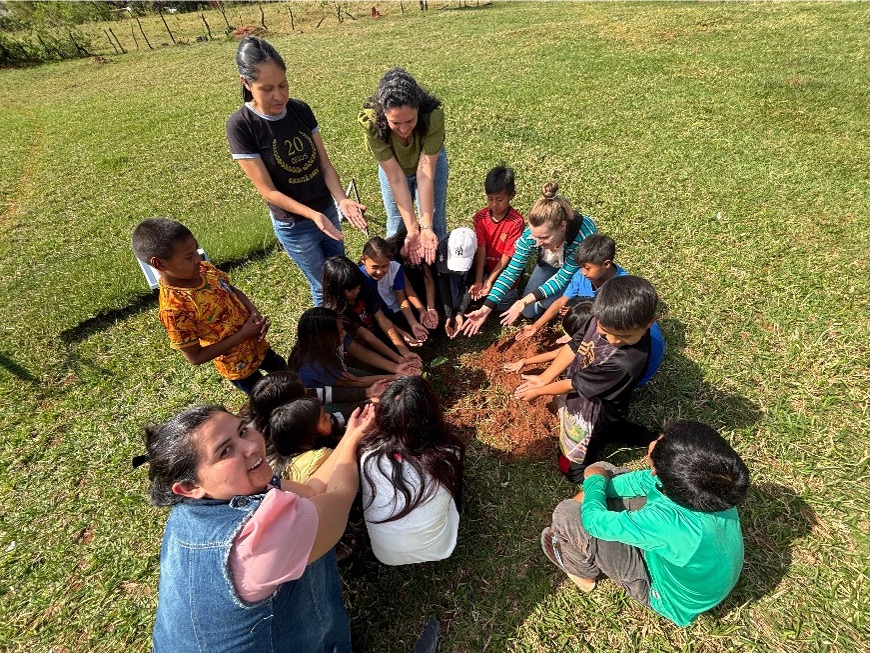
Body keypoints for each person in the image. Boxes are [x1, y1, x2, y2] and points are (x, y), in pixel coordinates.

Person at [141, 401, 375, 652]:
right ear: (189, 487)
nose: (251, 446)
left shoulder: (192, 507)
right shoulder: (258, 536)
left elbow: (312, 490)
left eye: (242, 431)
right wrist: (352, 442)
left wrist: (351, 434)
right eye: (225, 451)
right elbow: (339, 498)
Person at [541, 420, 750, 628]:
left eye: (660, 440)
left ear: (659, 471)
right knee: (606, 471)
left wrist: (594, 484)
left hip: (665, 596)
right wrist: (594, 488)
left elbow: (594, 523)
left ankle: (583, 572)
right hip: (695, 571)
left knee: (566, 513)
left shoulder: (668, 523)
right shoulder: (713, 488)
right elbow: (642, 481)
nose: (656, 439)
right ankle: (592, 503)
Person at [226, 36, 367, 306]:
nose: (278, 95)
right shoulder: (241, 126)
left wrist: (342, 199)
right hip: (296, 226)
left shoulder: (300, 110)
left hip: (326, 211)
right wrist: (312, 215)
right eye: (267, 88)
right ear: (246, 83)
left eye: (283, 85)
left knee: (342, 279)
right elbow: (268, 191)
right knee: (323, 287)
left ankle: (355, 330)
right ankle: (333, 343)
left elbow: (324, 164)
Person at [514, 276, 661, 481]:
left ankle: (617, 474)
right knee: (611, 430)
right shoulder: (601, 317)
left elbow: (574, 385)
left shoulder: (625, 363)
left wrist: (538, 390)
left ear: (650, 323)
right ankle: (652, 437)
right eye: (604, 333)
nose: (614, 341)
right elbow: (574, 346)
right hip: (586, 392)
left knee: (572, 470)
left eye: (626, 337)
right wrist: (545, 377)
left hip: (599, 411)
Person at [131, 217, 285, 395]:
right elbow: (195, 357)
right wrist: (243, 335)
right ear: (159, 263)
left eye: (196, 250)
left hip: (258, 346)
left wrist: (254, 313)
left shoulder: (205, 269)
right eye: (189, 257)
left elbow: (231, 289)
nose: (198, 259)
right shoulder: (174, 309)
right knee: (271, 399)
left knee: (285, 373)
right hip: (238, 367)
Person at [462, 182, 597, 336]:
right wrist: (486, 308)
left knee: (546, 301)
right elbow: (511, 272)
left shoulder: (580, 238)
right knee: (528, 312)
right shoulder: (530, 237)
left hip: (576, 270)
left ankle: (576, 300)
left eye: (544, 237)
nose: (538, 243)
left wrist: (523, 300)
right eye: (535, 236)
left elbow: (562, 278)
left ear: (562, 226)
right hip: (548, 265)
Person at [358, 376, 464, 565]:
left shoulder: (367, 455)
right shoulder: (447, 453)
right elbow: (455, 493)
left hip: (385, 555)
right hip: (438, 548)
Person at [360, 68, 447, 265]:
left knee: (435, 222)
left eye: (410, 120)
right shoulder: (372, 123)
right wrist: (412, 229)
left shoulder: (432, 117)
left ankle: (438, 273)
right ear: (383, 115)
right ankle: (397, 279)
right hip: (394, 170)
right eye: (395, 123)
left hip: (429, 167)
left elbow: (425, 174)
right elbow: (396, 178)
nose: (404, 129)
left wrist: (424, 228)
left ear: (418, 108)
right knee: (396, 225)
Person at [516, 234, 627, 343]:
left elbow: (615, 319)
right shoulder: (580, 275)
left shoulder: (621, 286)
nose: (583, 272)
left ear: (606, 264)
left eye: (587, 268)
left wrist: (581, 324)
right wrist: (536, 326)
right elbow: (561, 301)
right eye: (581, 267)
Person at [322, 255, 425, 366]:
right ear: (336, 289)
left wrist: (404, 352)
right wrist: (399, 359)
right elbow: (367, 336)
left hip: (374, 336)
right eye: (351, 290)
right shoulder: (337, 312)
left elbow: (383, 321)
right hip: (361, 350)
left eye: (358, 287)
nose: (356, 291)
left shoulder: (363, 291)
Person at [287, 307, 415, 389]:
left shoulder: (330, 338)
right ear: (324, 339)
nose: (344, 333)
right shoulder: (314, 365)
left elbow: (361, 352)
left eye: (342, 328)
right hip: (327, 399)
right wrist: (397, 377)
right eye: (340, 332)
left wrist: (397, 368)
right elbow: (356, 382)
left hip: (343, 377)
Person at [470, 164, 525, 313]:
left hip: (503, 271)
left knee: (503, 306)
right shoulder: (480, 218)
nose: (494, 204)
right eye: (490, 199)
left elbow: (507, 255)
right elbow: (481, 248)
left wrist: (490, 281)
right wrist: (479, 279)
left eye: (499, 199)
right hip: (484, 268)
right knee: (473, 298)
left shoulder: (516, 222)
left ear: (512, 195)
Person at [359, 237, 430, 342]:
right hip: (379, 316)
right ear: (363, 260)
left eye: (384, 266)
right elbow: (377, 313)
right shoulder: (360, 277)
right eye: (374, 267)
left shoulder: (395, 267)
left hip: (396, 309)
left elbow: (401, 297)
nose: (379, 272)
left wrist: (413, 323)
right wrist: (400, 332)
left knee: (429, 330)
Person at [435, 227, 477, 338]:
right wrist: (449, 314)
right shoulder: (442, 248)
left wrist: (460, 313)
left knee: (461, 300)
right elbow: (443, 281)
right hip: (449, 274)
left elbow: (472, 282)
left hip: (469, 274)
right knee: (453, 302)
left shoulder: (479, 249)